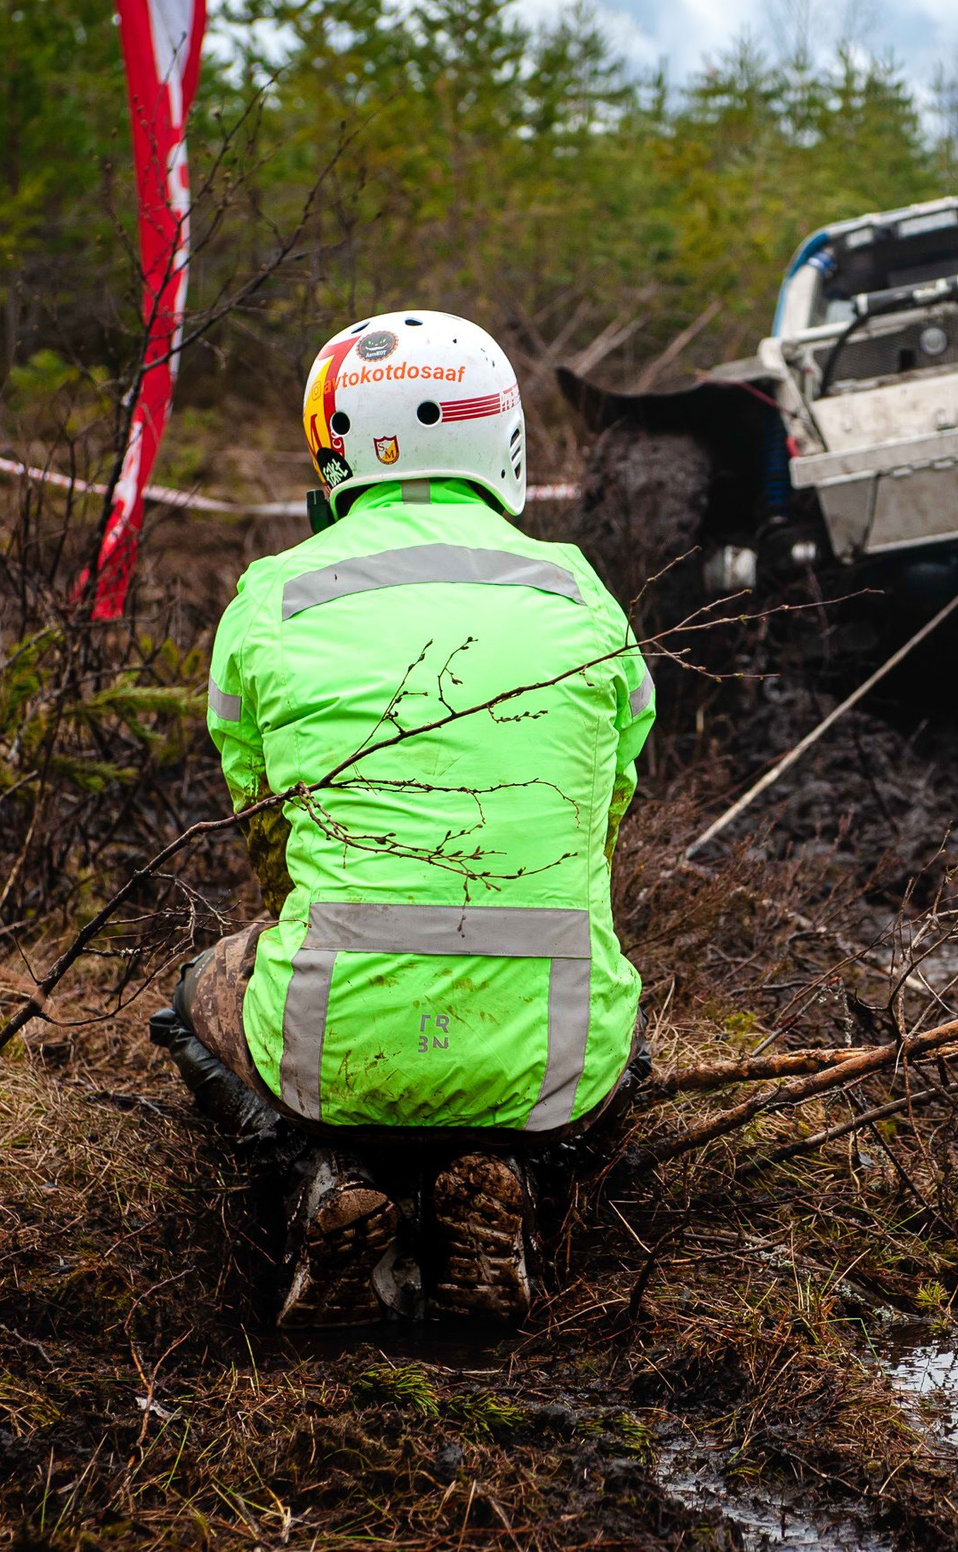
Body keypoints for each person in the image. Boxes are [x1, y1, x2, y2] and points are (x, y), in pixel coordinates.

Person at [151, 308, 656, 1328]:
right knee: (624, 1031)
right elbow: (608, 812)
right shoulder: (581, 592)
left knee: (191, 995)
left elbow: (265, 829)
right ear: (500, 435)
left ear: (330, 444)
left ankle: (320, 1174)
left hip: (331, 1032)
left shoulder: (271, 596)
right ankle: (518, 1178)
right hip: (543, 1038)